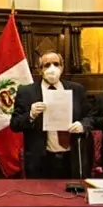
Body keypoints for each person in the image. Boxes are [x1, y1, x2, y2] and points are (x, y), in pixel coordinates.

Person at [10, 51, 91, 179]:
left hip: (72, 157)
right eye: (47, 65)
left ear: (62, 67)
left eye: (56, 64)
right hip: (41, 159)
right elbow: (14, 124)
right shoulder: (26, 92)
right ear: (39, 70)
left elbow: (89, 116)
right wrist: (30, 115)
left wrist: (82, 124)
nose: (52, 68)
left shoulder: (77, 89)